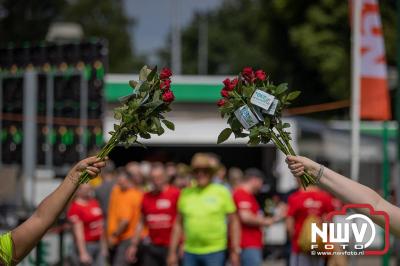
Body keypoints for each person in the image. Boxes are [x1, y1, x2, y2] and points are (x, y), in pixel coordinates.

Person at [0, 156, 107, 266]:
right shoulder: (76, 206)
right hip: (87, 247)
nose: (88, 188)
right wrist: (83, 252)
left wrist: (75, 175)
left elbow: (40, 218)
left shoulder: (2, 250)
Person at [286, 155, 400, 237]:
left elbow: (376, 205)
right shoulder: (318, 197)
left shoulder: (296, 197)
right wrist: (316, 170)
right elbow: (376, 205)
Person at [167, 153, 241, 266]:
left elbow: (234, 222)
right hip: (190, 251)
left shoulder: (222, 191)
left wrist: (235, 250)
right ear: (193, 174)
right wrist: (172, 252)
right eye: (197, 171)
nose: (200, 174)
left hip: (216, 251)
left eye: (205, 171)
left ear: (211, 173)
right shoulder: (185, 193)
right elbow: (178, 224)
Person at [126, 163, 180, 266]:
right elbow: (141, 223)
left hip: (171, 247)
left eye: (159, 178)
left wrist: (181, 246)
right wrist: (133, 245)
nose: (156, 181)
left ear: (165, 178)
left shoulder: (175, 193)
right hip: (153, 246)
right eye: (153, 178)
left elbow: (182, 222)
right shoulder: (146, 197)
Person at [233, 168, 281, 266]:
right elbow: (245, 217)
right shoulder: (241, 194)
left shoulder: (248, 195)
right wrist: (266, 221)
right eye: (261, 182)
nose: (261, 185)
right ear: (254, 180)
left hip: (251, 244)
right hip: (247, 244)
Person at [286, 178, 335, 266]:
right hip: (319, 246)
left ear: (299, 179)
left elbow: (289, 226)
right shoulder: (325, 197)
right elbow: (329, 223)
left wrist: (293, 239)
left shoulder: (295, 198)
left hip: (299, 247)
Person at [107, 167, 143, 266]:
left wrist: (114, 236)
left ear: (129, 180)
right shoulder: (137, 193)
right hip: (131, 238)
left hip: (126, 238)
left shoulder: (128, 195)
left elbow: (125, 221)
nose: (119, 184)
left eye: (121, 181)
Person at [67, 184, 106, 265]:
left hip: (98, 243)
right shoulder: (75, 207)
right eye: (85, 189)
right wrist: (83, 253)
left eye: (89, 188)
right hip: (87, 245)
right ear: (78, 191)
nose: (88, 190)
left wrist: (103, 246)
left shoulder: (94, 202)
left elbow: (101, 226)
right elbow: (78, 232)